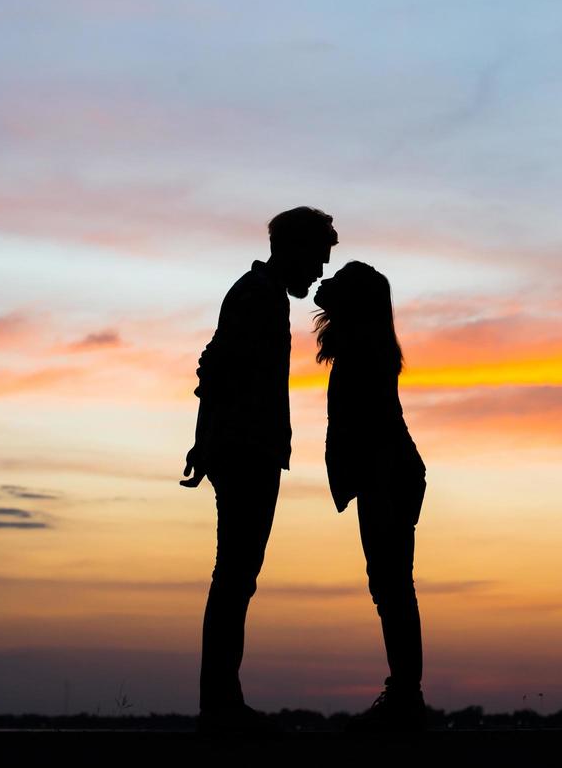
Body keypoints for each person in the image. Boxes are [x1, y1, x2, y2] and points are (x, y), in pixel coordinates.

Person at [180, 206, 338, 734]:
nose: (318, 272)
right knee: (234, 579)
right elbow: (215, 367)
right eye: (316, 258)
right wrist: (209, 441)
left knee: (236, 578)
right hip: (247, 452)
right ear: (293, 249)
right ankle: (220, 706)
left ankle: (222, 701)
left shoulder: (260, 294)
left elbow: (213, 366)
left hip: (247, 449)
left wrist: (206, 441)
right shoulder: (257, 296)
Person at [313, 261, 429, 732]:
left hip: (386, 476)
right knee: (391, 587)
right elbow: (324, 297)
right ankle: (404, 694)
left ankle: (406, 697)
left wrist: (334, 291)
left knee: (393, 588)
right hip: (385, 475)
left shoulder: (365, 346)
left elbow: (321, 297)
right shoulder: (368, 342)